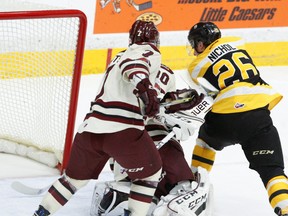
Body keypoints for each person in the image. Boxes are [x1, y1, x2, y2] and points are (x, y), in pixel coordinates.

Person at [33, 20, 202, 216]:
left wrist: (161, 98)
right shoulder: (148, 52)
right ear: (155, 41)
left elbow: (144, 96)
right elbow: (137, 71)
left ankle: (41, 213)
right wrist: (149, 90)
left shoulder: (116, 59)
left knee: (72, 181)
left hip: (89, 130)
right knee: (151, 173)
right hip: (124, 130)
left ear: (131, 39)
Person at [187, 21, 288, 216]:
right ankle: (285, 208)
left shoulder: (195, 65)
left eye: (195, 44)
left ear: (200, 44)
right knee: (273, 172)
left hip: (224, 120)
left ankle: (192, 185)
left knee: (205, 142)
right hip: (257, 117)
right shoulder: (238, 48)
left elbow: (204, 98)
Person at [90, 63, 209, 216]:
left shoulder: (118, 67)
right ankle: (165, 193)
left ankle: (132, 193)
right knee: (183, 187)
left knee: (139, 188)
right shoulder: (164, 72)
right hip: (155, 142)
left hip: (125, 152)